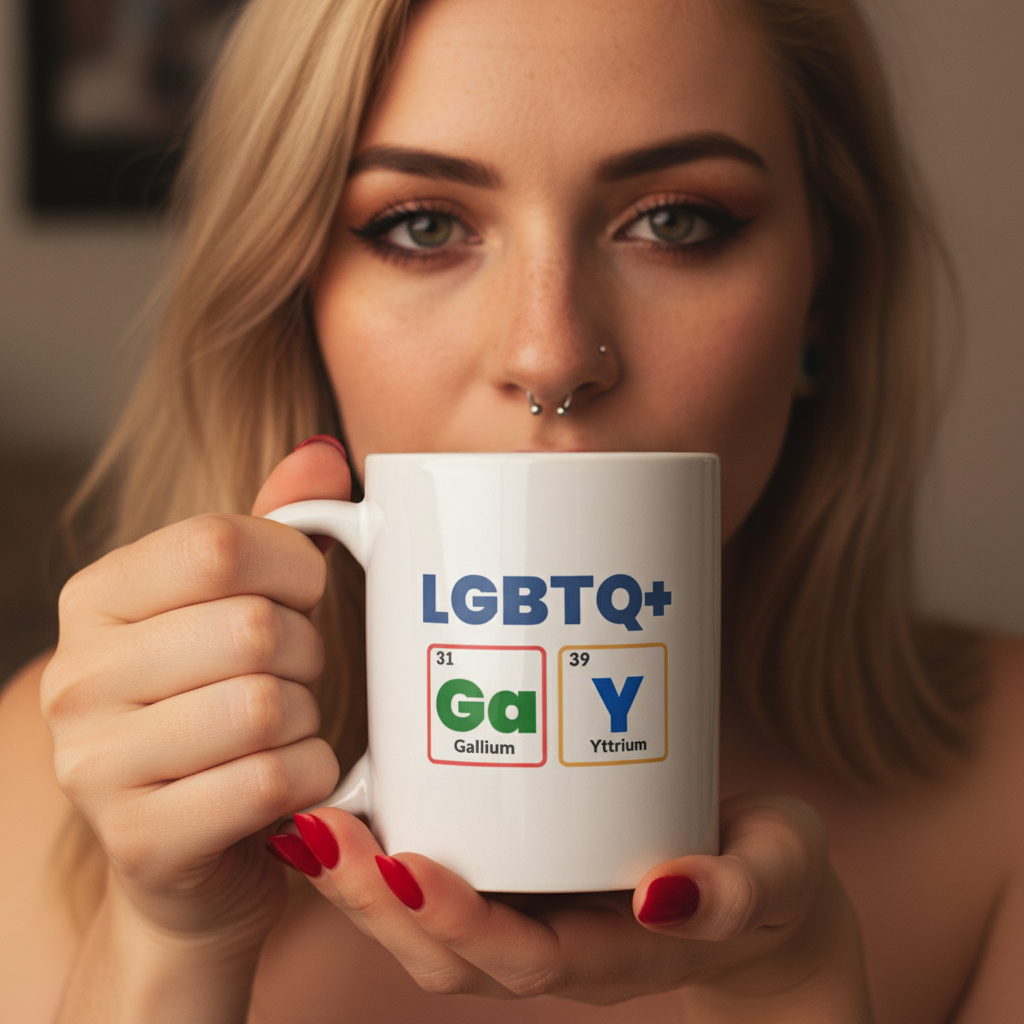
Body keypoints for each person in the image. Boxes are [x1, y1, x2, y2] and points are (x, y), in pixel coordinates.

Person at [1, 0, 1020, 1020]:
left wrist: (790, 992)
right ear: (295, 301)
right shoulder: (61, 773)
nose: (550, 354)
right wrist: (166, 944)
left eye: (675, 221)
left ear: (820, 294)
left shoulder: (1005, 800)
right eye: (423, 226)